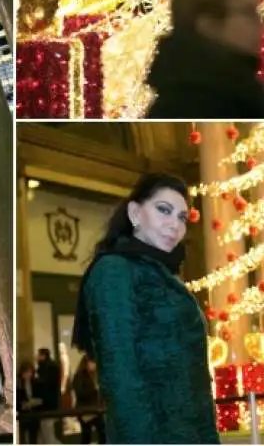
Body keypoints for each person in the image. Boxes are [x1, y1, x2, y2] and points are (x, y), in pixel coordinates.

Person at [71, 173, 219, 443]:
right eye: (164, 210)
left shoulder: (161, 272)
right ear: (135, 213)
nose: (175, 224)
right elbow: (120, 376)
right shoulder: (114, 271)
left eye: (182, 217)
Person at [146, 0, 264, 119]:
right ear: (209, 26)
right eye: (248, 12)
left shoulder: (236, 88)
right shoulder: (192, 105)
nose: (260, 25)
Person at [72, 354, 105, 444]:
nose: (94, 365)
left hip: (95, 409)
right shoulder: (79, 376)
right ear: (86, 363)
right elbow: (79, 392)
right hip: (85, 409)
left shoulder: (96, 375)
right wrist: (94, 389)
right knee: (87, 435)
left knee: (102, 432)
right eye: (92, 362)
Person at [35, 348, 62, 443]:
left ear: (43, 356)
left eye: (38, 355)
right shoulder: (51, 367)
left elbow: (46, 386)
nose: (36, 357)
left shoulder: (46, 368)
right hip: (50, 403)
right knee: (45, 432)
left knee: (47, 432)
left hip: (47, 405)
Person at [17, 360, 43, 444]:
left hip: (34, 414)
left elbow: (41, 398)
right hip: (23, 415)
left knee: (33, 438)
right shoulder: (18, 383)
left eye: (30, 372)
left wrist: (36, 402)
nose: (28, 375)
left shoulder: (36, 383)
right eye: (26, 372)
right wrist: (23, 405)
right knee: (22, 438)